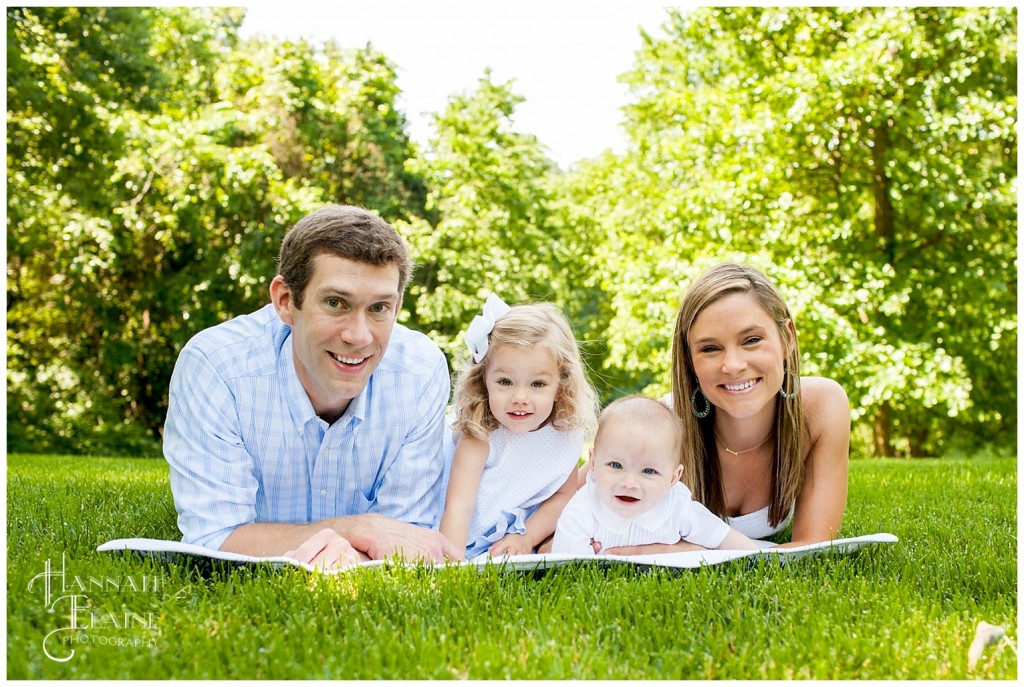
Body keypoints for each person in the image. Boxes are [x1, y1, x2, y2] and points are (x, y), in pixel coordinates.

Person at [163, 204, 460, 569]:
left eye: (379, 308)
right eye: (336, 303)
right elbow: (216, 539)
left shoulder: (421, 370)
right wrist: (358, 529)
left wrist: (366, 540)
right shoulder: (217, 367)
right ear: (286, 301)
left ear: (397, 306)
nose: (359, 336)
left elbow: (404, 535)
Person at [605, 262, 850, 554]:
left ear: (788, 338)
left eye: (752, 340)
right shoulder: (657, 427)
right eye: (710, 348)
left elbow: (815, 547)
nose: (733, 365)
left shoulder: (822, 408)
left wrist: (684, 552)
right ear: (689, 359)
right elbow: (570, 500)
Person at [439, 294, 599, 559]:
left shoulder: (566, 432)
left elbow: (563, 494)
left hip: (509, 536)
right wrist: (449, 565)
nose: (520, 398)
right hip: (453, 529)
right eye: (505, 382)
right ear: (484, 380)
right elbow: (459, 505)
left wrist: (527, 537)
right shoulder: (479, 432)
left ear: (561, 386)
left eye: (537, 384)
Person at [552, 395, 758, 554]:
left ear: (673, 478)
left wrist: (759, 560)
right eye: (615, 465)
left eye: (649, 471)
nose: (629, 483)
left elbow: (724, 538)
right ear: (594, 463)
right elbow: (567, 562)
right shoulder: (583, 508)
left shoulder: (678, 507)